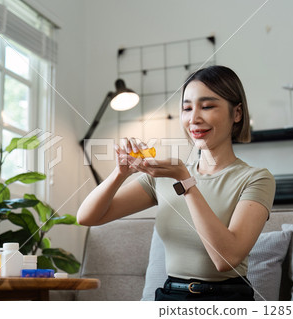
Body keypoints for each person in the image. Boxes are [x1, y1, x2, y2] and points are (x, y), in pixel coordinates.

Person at [77, 65, 276, 301]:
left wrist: (185, 180)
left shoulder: (256, 179)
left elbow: (226, 260)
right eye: (187, 108)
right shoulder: (164, 176)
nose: (194, 118)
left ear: (237, 113)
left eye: (208, 106)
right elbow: (88, 217)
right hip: (170, 297)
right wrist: (120, 173)